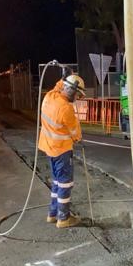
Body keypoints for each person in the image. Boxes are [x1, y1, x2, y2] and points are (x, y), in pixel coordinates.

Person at [40, 74, 86, 228]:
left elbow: (58, 86)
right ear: (72, 90)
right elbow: (75, 134)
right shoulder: (66, 108)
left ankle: (52, 214)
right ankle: (63, 218)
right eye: (78, 94)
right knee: (65, 184)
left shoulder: (49, 96)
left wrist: (66, 76)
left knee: (56, 183)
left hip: (49, 148)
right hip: (62, 151)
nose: (78, 98)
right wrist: (79, 138)